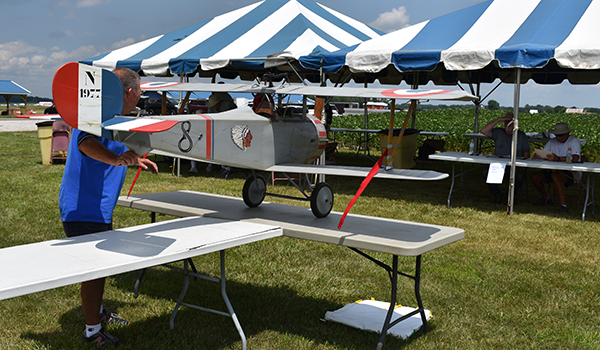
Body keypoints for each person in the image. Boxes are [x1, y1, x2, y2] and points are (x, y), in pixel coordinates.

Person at [59, 67, 158, 347]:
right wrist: (118, 161)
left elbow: (113, 149)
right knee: (95, 270)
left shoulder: (110, 114)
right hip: (84, 207)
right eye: (139, 93)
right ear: (129, 92)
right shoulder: (93, 113)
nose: (140, 98)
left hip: (96, 206)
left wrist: (132, 158)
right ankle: (92, 331)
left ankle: (98, 314)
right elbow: (86, 144)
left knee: (99, 268)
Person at [531, 122, 581, 214]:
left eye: (561, 135)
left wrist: (557, 158)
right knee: (535, 177)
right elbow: (544, 152)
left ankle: (563, 205)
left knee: (556, 175)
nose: (558, 137)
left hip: (571, 172)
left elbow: (575, 158)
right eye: (557, 135)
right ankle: (546, 198)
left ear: (567, 134)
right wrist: (539, 155)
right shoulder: (552, 141)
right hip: (553, 169)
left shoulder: (574, 141)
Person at [480, 112, 531, 203]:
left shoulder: (521, 136)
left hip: (514, 166)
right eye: (506, 122)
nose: (507, 125)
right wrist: (499, 119)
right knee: (485, 172)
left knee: (519, 176)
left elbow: (526, 154)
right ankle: (496, 193)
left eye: (510, 123)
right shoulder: (498, 132)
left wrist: (519, 165)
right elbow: (484, 131)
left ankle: (510, 195)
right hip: (498, 165)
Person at [189, 92, 237, 173]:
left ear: (218, 103)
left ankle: (227, 167)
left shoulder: (227, 105)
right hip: (217, 129)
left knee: (227, 147)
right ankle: (222, 166)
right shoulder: (212, 108)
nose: (213, 107)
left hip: (228, 128)